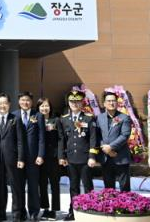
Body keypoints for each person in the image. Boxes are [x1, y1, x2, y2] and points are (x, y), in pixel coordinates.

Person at [58, 91, 98, 221]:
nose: (74, 104)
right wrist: (61, 156)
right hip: (71, 159)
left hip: (85, 158)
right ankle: (73, 211)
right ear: (68, 103)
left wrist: (92, 156)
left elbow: (93, 139)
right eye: (72, 101)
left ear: (82, 102)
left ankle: (91, 210)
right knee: (73, 186)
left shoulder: (89, 118)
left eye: (77, 101)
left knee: (88, 185)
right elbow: (62, 140)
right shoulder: (64, 119)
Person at [0, 93, 25, 222]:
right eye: (0, 103)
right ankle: (1, 214)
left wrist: (20, 158)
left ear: (9, 104)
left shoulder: (16, 119)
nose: (2, 106)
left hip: (13, 159)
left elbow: (20, 141)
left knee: (15, 186)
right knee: (0, 187)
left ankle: (16, 214)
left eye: (5, 103)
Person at [13, 92, 45, 221]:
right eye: (22, 100)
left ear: (31, 102)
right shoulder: (14, 115)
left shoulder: (38, 115)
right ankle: (21, 211)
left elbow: (41, 138)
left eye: (27, 100)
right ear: (19, 101)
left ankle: (34, 212)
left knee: (33, 186)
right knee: (19, 186)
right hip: (18, 158)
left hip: (33, 157)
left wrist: (40, 155)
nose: (25, 102)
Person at [97, 91, 132, 192]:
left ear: (117, 103)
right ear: (104, 103)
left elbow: (125, 135)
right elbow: (97, 135)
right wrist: (105, 149)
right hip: (106, 157)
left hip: (120, 156)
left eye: (113, 101)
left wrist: (111, 147)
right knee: (108, 188)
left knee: (124, 187)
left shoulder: (124, 117)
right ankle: (110, 202)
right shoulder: (99, 117)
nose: (111, 103)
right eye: (108, 101)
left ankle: (125, 202)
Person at [36, 98, 60, 221]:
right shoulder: (35, 120)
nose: (44, 108)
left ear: (50, 107)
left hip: (53, 157)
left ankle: (54, 210)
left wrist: (60, 156)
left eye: (46, 106)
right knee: (42, 184)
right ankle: (45, 208)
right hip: (40, 158)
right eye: (42, 106)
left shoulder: (56, 120)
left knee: (55, 184)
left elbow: (61, 138)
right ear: (38, 108)